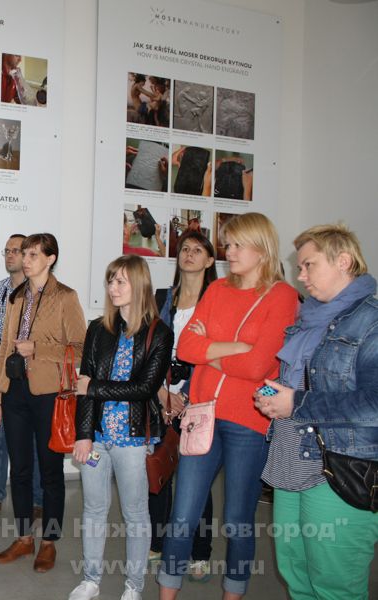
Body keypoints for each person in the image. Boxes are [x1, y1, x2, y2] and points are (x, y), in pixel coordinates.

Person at [157, 212, 299, 599]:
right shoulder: (217, 289)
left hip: (249, 421)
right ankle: (166, 593)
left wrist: (212, 353)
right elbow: (187, 348)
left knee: (237, 520)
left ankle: (233, 593)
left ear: (262, 249)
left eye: (237, 245)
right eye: (228, 244)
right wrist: (236, 348)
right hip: (202, 413)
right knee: (182, 515)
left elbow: (259, 366)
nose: (228, 252)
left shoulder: (282, 296)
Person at [256, 224, 378, 600]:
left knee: (335, 585)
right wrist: (274, 397)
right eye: (299, 267)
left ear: (343, 261)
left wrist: (295, 402)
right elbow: (304, 380)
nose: (301, 276)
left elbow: (374, 405)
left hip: (340, 468)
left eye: (309, 265)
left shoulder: (371, 321)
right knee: (296, 573)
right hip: (291, 459)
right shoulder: (310, 318)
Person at [69, 255, 172, 600]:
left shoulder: (159, 333)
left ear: (139, 285)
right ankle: (91, 580)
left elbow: (144, 389)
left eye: (120, 282)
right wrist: (83, 435)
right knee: (93, 510)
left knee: (135, 514)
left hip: (132, 439)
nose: (112, 288)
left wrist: (94, 387)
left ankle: (134, 587)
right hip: (96, 439)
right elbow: (83, 387)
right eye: (110, 281)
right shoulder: (98, 329)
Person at [0, 233, 87, 573]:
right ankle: (23, 538)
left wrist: (38, 349)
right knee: (19, 469)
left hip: (49, 394)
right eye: (24, 254)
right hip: (14, 391)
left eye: (33, 254)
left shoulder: (65, 297)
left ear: (50, 258)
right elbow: (5, 347)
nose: (25, 259)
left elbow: (80, 348)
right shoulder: (16, 297)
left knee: (50, 471)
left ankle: (49, 542)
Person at [149, 231, 218, 582]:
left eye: (197, 250)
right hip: (162, 397)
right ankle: (157, 543)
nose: (189, 254)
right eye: (185, 249)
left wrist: (186, 397)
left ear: (209, 260)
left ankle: (200, 551)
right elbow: (150, 349)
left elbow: (213, 356)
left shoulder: (217, 301)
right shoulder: (164, 298)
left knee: (196, 480)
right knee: (158, 471)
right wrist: (162, 393)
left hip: (199, 399)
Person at [0, 233, 43, 521]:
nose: (10, 255)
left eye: (16, 250)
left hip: (29, 371)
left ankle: (37, 499)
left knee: (33, 435)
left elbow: (32, 329)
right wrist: (8, 319)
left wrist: (1, 317)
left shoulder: (38, 289)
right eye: (7, 251)